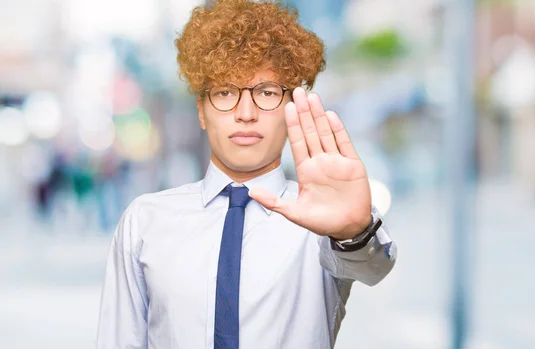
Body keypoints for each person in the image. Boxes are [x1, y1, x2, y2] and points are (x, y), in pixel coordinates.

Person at [95, 0, 397, 348]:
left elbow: (373, 268)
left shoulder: (319, 221)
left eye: (266, 93)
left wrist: (355, 232)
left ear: (290, 109)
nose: (246, 112)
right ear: (202, 112)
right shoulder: (145, 222)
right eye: (225, 92)